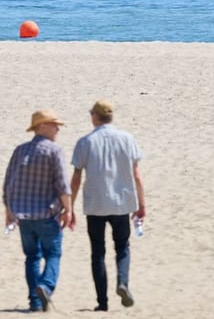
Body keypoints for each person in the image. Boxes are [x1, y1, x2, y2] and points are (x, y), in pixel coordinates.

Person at [70, 100, 145, 312]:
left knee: (98, 252)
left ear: (95, 116)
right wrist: (141, 204)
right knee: (122, 247)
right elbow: (136, 175)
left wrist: (69, 207)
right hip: (121, 203)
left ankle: (102, 302)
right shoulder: (127, 139)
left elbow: (76, 177)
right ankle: (122, 282)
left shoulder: (85, 142)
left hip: (95, 204)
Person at [3, 109, 73, 313]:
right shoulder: (54, 150)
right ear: (41, 127)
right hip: (47, 214)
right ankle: (46, 286)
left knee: (32, 257)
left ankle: (35, 301)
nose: (58, 128)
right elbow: (62, 185)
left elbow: (8, 183)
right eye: (54, 124)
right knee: (53, 253)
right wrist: (68, 210)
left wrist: (8, 210)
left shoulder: (20, 150)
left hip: (23, 216)